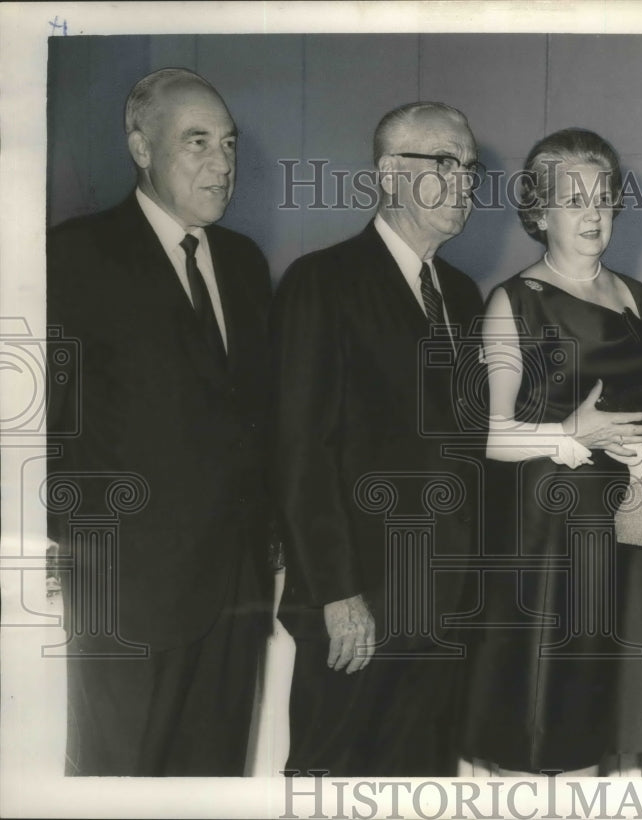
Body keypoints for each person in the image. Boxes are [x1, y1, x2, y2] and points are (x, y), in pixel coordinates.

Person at [46, 68, 273, 776]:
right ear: (140, 147)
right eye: (197, 142)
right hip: (128, 593)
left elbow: (256, 417)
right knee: (119, 779)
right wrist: (76, 546)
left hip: (236, 593)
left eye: (229, 145)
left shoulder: (243, 263)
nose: (222, 164)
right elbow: (45, 424)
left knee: (213, 781)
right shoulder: (76, 254)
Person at [272, 102, 488, 776]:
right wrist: (337, 595)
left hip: (443, 606)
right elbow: (300, 451)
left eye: (471, 169)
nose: (464, 184)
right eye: (444, 163)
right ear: (392, 172)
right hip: (358, 609)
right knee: (331, 782)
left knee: (422, 788)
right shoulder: (322, 282)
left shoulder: (462, 292)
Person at [462, 128, 642, 775]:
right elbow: (484, 435)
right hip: (546, 539)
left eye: (602, 197)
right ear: (539, 212)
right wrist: (572, 435)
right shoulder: (513, 302)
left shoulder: (637, 297)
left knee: (604, 723)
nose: (592, 213)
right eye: (572, 198)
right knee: (546, 724)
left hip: (626, 535)